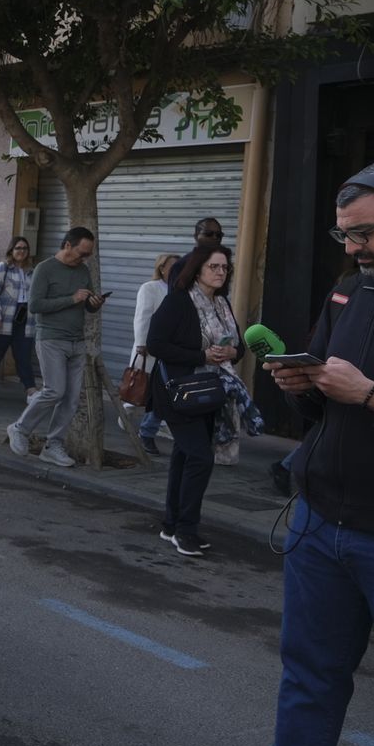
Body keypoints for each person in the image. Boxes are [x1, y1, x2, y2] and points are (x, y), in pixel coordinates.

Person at [255, 164, 374, 746]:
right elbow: (318, 412)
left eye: (366, 232)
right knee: (308, 677)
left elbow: (361, 396)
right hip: (318, 522)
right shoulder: (350, 291)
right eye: (344, 235)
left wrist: (371, 395)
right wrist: (299, 387)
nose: (354, 247)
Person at [147, 244, 248, 556]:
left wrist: (232, 352)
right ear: (198, 269)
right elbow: (155, 344)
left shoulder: (221, 303)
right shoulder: (178, 301)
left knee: (184, 455)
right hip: (179, 392)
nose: (221, 272)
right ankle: (186, 530)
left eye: (224, 267)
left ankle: (171, 523)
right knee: (201, 458)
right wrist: (200, 355)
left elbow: (240, 346)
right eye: (213, 267)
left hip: (211, 392)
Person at [6, 227, 106, 468]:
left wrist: (94, 303)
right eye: (81, 253)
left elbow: (87, 306)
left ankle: (53, 446)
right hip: (51, 338)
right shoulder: (45, 269)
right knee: (54, 390)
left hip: (77, 340)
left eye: (88, 255)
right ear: (68, 245)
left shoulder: (83, 270)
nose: (84, 259)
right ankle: (20, 428)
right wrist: (71, 299)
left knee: (71, 399)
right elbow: (36, 305)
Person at [127, 253, 178, 454]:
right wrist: (141, 342)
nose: (176, 270)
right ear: (162, 268)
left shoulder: (181, 290)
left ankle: (151, 427)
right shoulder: (150, 288)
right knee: (139, 388)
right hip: (151, 347)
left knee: (160, 391)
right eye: (172, 266)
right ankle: (126, 417)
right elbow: (142, 316)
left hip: (172, 349)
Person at [0, 236, 36, 402]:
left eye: (24, 248)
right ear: (11, 250)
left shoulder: (31, 270)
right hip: (4, 316)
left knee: (23, 355)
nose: (21, 251)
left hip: (25, 318)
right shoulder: (1, 268)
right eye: (18, 248)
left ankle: (30, 390)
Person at [166, 216, 226, 286]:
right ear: (196, 237)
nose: (214, 237)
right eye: (208, 234)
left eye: (219, 235)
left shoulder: (223, 265)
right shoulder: (181, 265)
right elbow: (173, 295)